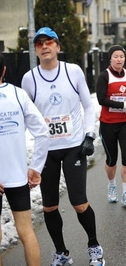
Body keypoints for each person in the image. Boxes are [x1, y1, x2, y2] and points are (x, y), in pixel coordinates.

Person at [21, 27, 104, 265]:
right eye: (39, 44)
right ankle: (61, 252)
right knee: (49, 206)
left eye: (49, 42)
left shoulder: (73, 71)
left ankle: (94, 245)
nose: (44, 47)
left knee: (79, 203)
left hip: (73, 147)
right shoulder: (29, 78)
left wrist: (89, 136)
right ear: (35, 50)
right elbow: (26, 117)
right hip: (46, 151)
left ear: (57, 46)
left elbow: (88, 106)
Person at [0, 52, 49, 266]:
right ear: (4, 70)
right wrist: (35, 167)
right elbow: (43, 132)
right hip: (17, 177)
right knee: (27, 232)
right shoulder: (18, 95)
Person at [96, 45, 126, 208]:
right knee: (112, 159)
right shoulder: (104, 76)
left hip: (125, 124)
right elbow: (101, 99)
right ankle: (112, 185)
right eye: (116, 56)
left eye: (121, 56)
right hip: (108, 124)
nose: (119, 59)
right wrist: (123, 104)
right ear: (110, 59)